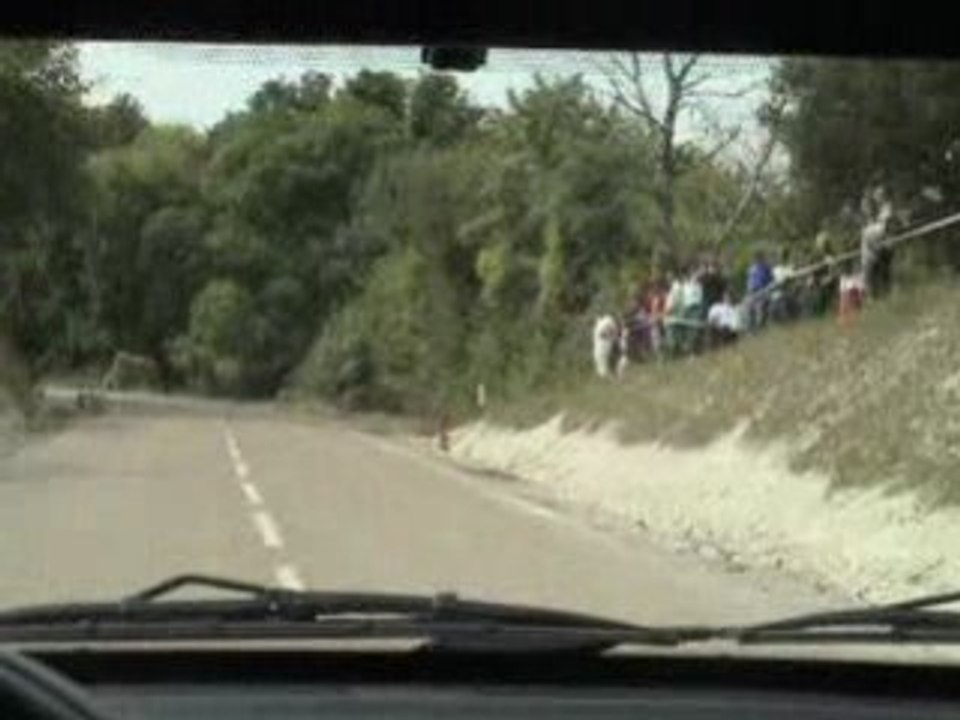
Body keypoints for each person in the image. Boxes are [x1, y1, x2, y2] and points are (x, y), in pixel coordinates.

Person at [745, 250, 774, 331]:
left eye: (759, 258)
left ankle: (761, 328)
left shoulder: (766, 268)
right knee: (750, 310)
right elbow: (749, 281)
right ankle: (751, 328)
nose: (757, 259)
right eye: (756, 258)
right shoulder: (751, 268)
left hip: (763, 290)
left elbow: (771, 280)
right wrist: (748, 291)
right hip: (752, 292)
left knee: (761, 310)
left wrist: (767, 290)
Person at [592, 314, 620, 378]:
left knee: (602, 362)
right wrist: (613, 336)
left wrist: (613, 336)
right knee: (602, 361)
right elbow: (612, 332)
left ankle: (605, 375)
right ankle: (604, 375)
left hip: (603, 346)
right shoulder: (607, 321)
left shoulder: (601, 323)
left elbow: (613, 333)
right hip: (602, 346)